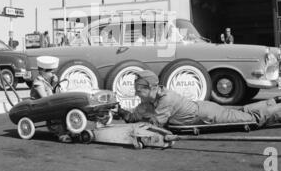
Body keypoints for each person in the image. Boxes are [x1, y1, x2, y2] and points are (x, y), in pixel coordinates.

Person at [117, 70, 281, 128]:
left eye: (139, 90)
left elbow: (154, 125)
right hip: (203, 108)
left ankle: (277, 110)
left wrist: (140, 117)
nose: (136, 93)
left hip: (207, 115)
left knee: (251, 119)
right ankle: (273, 101)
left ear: (152, 88)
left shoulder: (166, 99)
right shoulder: (148, 101)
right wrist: (120, 111)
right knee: (243, 111)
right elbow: (133, 117)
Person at [30, 56, 72, 143]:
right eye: (50, 71)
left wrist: (54, 83)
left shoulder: (48, 80)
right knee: (55, 113)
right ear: (42, 71)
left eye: (53, 72)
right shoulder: (38, 82)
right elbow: (45, 98)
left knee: (67, 109)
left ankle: (70, 129)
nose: (52, 74)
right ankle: (61, 133)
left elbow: (54, 94)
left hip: (48, 103)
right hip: (38, 105)